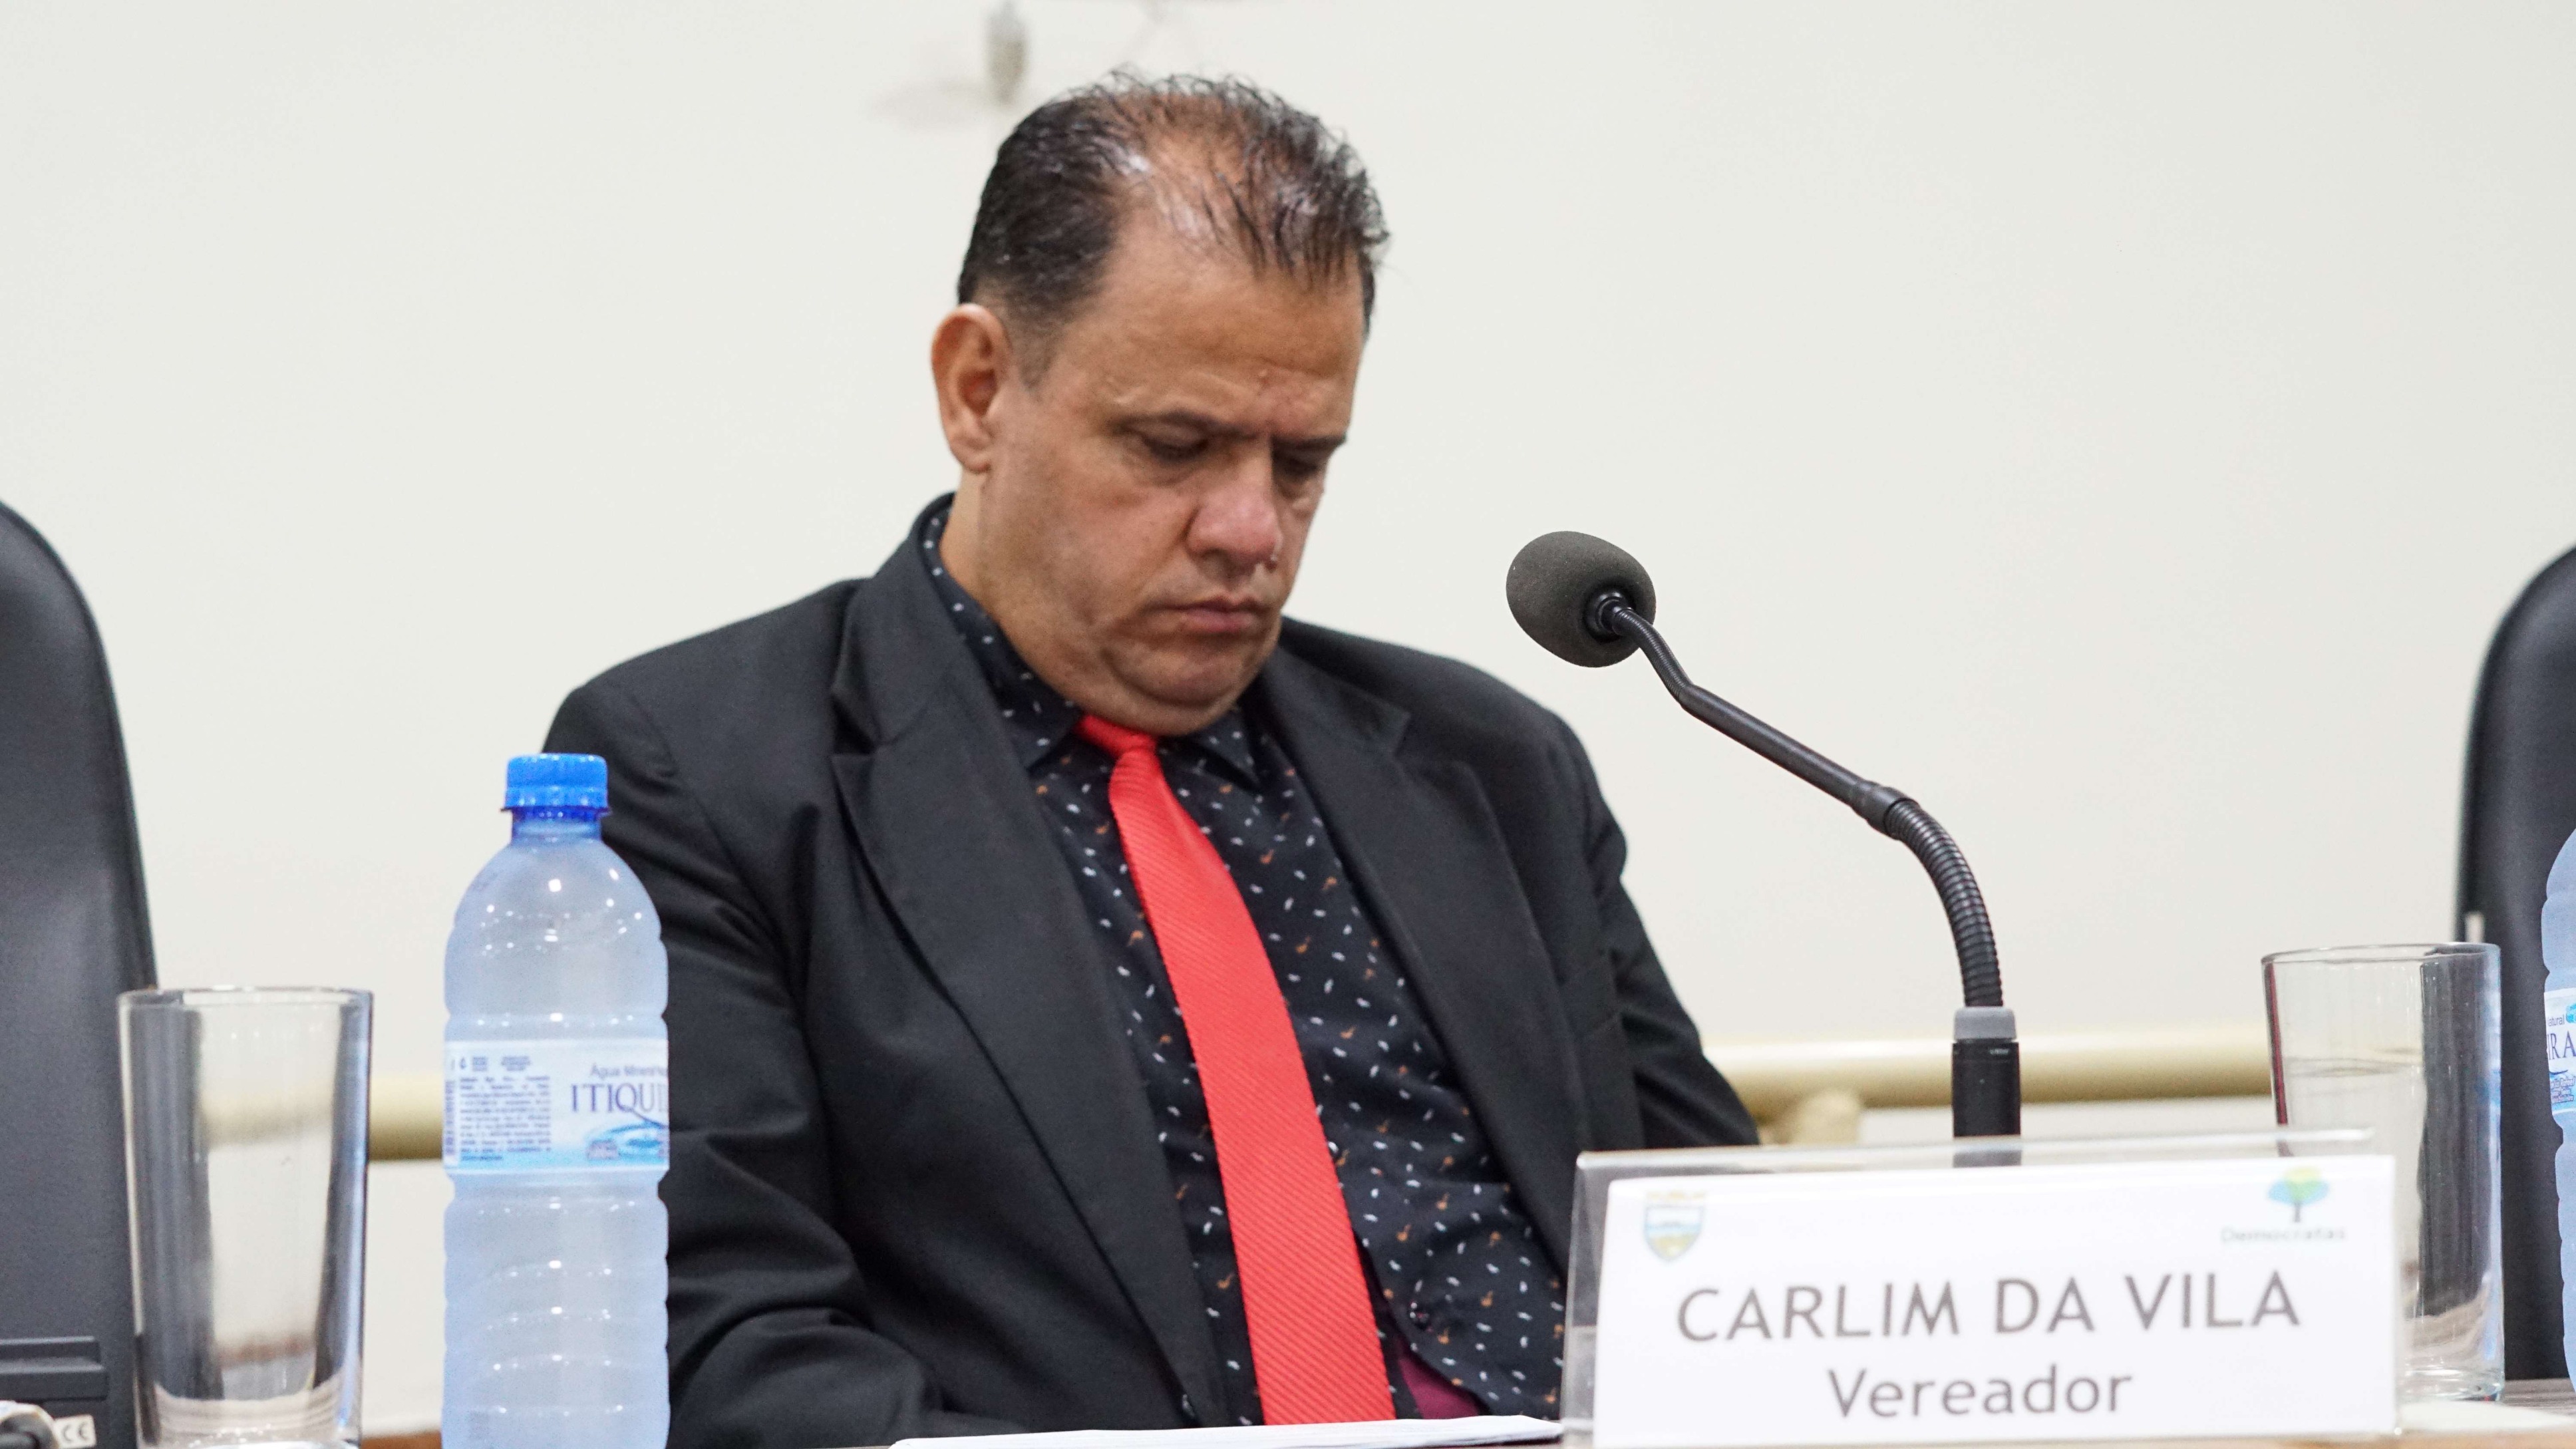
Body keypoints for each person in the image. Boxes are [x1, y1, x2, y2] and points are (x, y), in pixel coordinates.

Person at [544, 73, 1756, 1449]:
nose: (1251, 529)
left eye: (1301, 463)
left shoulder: (1491, 765)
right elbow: (728, 1353)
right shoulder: (706, 774)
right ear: (980, 391)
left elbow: (1723, 1252)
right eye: (1175, 447)